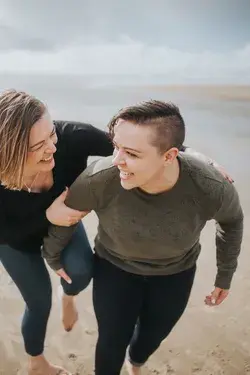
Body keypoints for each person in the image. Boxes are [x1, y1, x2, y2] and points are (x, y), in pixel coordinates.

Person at [43, 100, 244, 375]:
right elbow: (68, 216)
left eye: (132, 154)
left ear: (170, 155)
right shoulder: (100, 178)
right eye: (116, 147)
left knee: (151, 337)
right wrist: (53, 257)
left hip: (176, 273)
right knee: (111, 341)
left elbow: (231, 221)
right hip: (114, 269)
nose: (117, 161)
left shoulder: (209, 187)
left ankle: (135, 364)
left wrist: (225, 275)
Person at [0, 89, 114, 375]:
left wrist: (201, 162)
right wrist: (48, 213)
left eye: (51, 134)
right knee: (38, 302)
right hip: (12, 239)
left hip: (62, 226)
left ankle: (69, 297)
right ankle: (37, 364)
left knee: (81, 272)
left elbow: (142, 146)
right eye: (38, 145)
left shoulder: (73, 137)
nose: (52, 147)